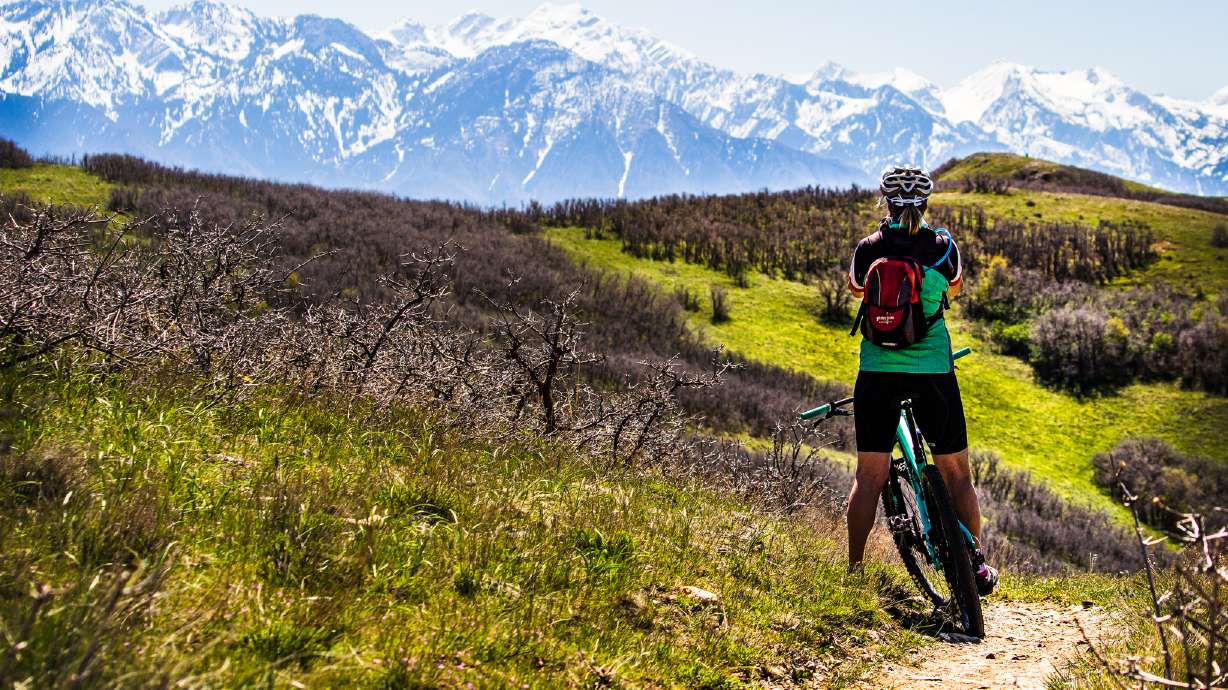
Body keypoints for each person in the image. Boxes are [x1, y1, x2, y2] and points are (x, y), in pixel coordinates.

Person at [844, 165, 997, 595]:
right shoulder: (943, 247)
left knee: (868, 478)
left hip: (877, 372)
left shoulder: (868, 248)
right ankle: (975, 565)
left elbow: (857, 290)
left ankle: (854, 573)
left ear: (885, 202)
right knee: (958, 474)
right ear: (926, 203)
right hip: (932, 371)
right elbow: (956, 287)